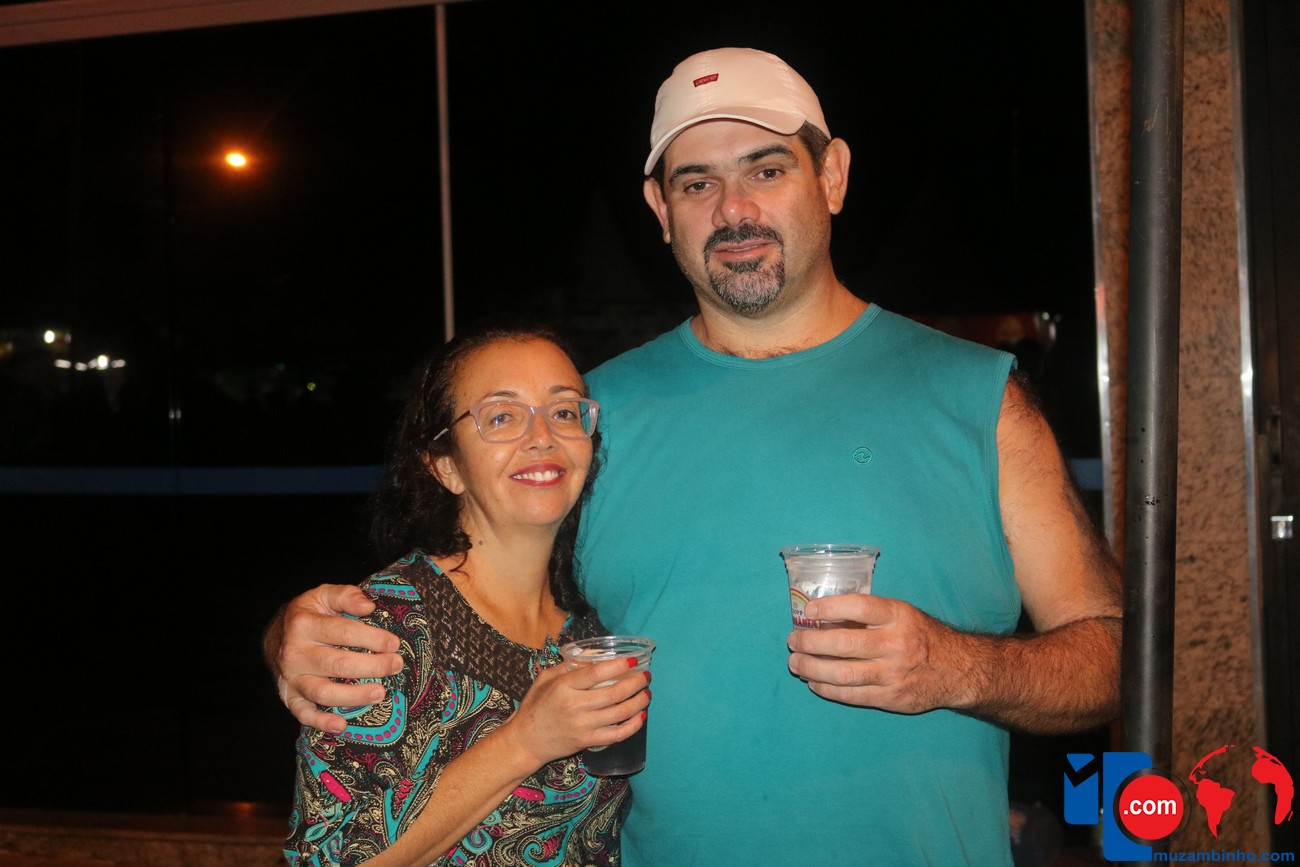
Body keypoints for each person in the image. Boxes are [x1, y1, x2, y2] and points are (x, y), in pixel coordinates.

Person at [266, 48, 1122, 865]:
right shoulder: (587, 420)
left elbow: (1115, 654)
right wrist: (290, 637)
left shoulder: (978, 398)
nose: (733, 209)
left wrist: (958, 666)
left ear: (832, 176)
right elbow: (481, 591)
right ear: (659, 207)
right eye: (697, 182)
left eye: (767, 169)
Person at [280, 326, 650, 866]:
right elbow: (330, 858)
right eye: (501, 417)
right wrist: (525, 741)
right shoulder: (384, 628)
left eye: (564, 411)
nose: (542, 436)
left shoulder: (593, 627)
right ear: (446, 465)